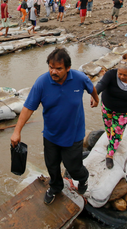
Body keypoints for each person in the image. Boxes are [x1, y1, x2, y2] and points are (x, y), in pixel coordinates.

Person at [10, 48, 99, 204]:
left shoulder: (79, 78)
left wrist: (95, 99)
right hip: (51, 134)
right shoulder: (42, 83)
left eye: (58, 68)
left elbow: (91, 87)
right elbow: (28, 107)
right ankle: (55, 187)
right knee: (52, 165)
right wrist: (17, 131)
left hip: (74, 134)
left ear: (68, 68)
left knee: (73, 167)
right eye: (51, 67)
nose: (53, 71)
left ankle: (83, 178)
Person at [96, 56, 127, 168]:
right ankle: (111, 141)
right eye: (120, 74)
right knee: (108, 127)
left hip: (124, 112)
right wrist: (95, 95)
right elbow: (101, 84)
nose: (121, 76)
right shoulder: (111, 74)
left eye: (125, 75)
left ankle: (110, 154)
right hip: (107, 107)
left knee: (117, 131)